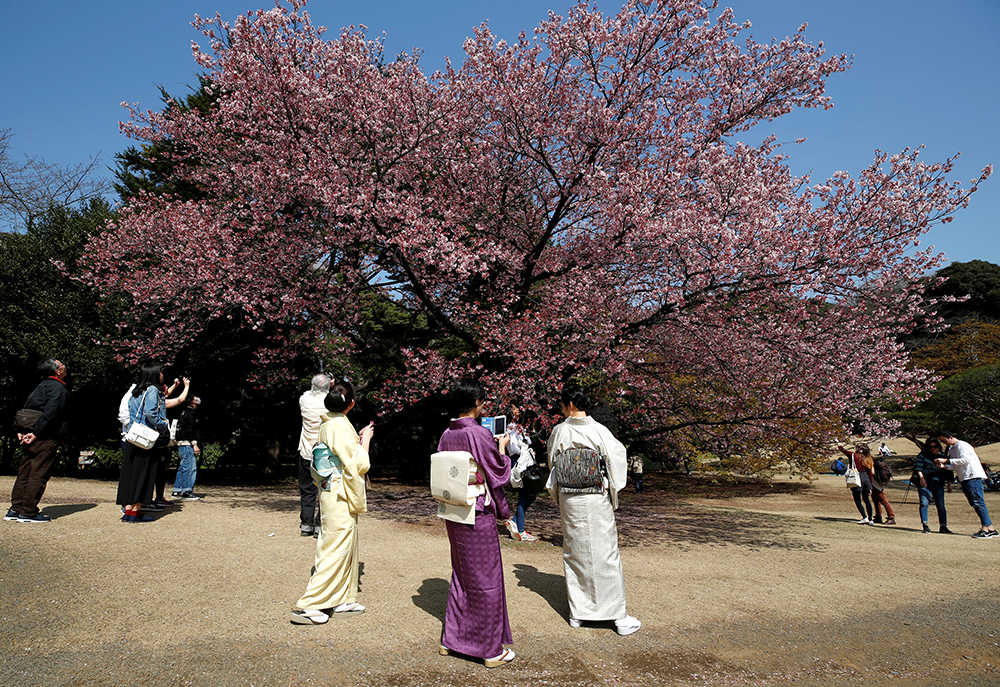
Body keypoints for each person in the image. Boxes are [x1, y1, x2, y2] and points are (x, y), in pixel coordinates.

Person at [546, 385, 641, 636]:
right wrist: (613, 489)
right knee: (605, 553)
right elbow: (617, 458)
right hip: (595, 496)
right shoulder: (600, 431)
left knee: (575, 551)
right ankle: (617, 616)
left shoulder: (559, 431)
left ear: (569, 405)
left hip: (570, 499)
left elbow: (552, 462)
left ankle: (578, 613)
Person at [436, 378, 515, 668]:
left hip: (454, 512)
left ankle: (453, 640)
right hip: (476, 512)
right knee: (487, 581)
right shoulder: (479, 433)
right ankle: (489, 649)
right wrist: (503, 450)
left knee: (462, 576)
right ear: (477, 403)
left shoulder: (447, 434)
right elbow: (497, 472)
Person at [290, 380, 374, 623]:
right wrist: (365, 439)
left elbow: (345, 453)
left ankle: (342, 597)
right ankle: (310, 603)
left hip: (333, 489)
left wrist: (356, 441)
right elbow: (359, 463)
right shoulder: (339, 425)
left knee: (346, 543)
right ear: (352, 403)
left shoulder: (330, 422)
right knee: (335, 545)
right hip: (338, 491)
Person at [7, 358, 70, 523]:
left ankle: (15, 509)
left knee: (24, 473)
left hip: (28, 435)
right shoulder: (58, 388)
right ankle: (28, 512)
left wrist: (22, 431)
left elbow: (26, 410)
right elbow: (51, 413)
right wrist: (36, 433)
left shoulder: (40, 386)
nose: (64, 368)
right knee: (38, 474)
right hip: (45, 437)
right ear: (57, 371)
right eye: (62, 366)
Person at [117, 364, 169, 523]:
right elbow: (151, 413)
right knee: (144, 474)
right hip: (146, 437)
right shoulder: (152, 390)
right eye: (160, 372)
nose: (162, 374)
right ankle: (136, 511)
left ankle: (128, 511)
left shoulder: (136, 390)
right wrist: (163, 424)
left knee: (130, 474)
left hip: (133, 436)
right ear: (154, 374)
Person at [935, 430, 998, 539]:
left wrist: (946, 461)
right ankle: (991, 528)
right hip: (964, 477)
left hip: (972, 476)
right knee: (974, 503)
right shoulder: (953, 449)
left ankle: (986, 528)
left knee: (978, 502)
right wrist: (945, 466)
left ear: (950, 437)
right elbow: (957, 465)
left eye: (944, 440)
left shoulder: (962, 445)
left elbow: (965, 460)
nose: (944, 443)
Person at [297, 373, 331, 537]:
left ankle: (306, 524)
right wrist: (330, 384)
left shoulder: (304, 400)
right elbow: (332, 396)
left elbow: (309, 391)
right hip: (324, 452)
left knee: (307, 490)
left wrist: (322, 382)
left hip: (306, 450)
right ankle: (319, 524)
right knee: (324, 490)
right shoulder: (329, 403)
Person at [503, 405, 538, 542]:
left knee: (531, 494)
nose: (517, 409)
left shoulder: (520, 427)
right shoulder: (510, 428)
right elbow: (514, 447)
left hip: (526, 460)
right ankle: (520, 529)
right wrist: (525, 449)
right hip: (518, 461)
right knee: (525, 494)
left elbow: (527, 442)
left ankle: (515, 522)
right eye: (513, 408)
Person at [911, 437, 950, 534]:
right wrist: (921, 478)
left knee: (940, 505)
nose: (933, 449)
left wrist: (949, 484)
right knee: (924, 503)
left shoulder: (943, 457)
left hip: (938, 482)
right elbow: (918, 467)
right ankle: (925, 524)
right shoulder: (923, 455)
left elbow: (948, 471)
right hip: (925, 481)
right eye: (930, 447)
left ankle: (943, 526)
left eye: (935, 447)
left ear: (939, 447)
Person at [171, 396, 201, 500]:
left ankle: (177, 490)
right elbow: (190, 429)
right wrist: (194, 443)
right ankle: (186, 491)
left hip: (181, 444)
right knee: (190, 468)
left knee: (182, 467)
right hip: (187, 443)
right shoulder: (190, 413)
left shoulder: (183, 412)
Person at [838, 443, 875, 525]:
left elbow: (843, 450)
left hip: (857, 477)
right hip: (866, 479)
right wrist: (871, 486)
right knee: (866, 500)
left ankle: (864, 517)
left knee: (857, 499)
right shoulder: (868, 459)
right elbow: (870, 474)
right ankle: (870, 519)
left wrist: (838, 443)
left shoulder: (853, 456)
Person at [870, 456, 896, 525]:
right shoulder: (872, 459)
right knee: (876, 500)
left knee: (883, 500)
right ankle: (878, 516)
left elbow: (872, 472)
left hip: (876, 483)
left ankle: (891, 517)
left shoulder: (869, 460)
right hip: (876, 482)